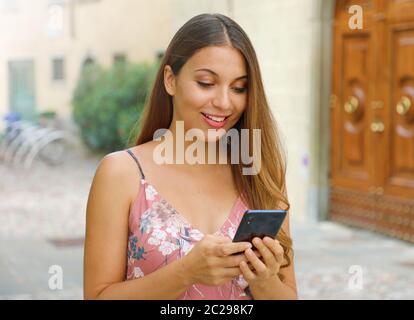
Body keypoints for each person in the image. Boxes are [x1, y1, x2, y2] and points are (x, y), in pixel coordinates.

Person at [83, 13, 297, 300]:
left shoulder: (260, 174)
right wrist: (186, 272)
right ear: (170, 80)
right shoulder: (121, 173)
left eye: (238, 88)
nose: (224, 102)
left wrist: (264, 280)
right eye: (206, 83)